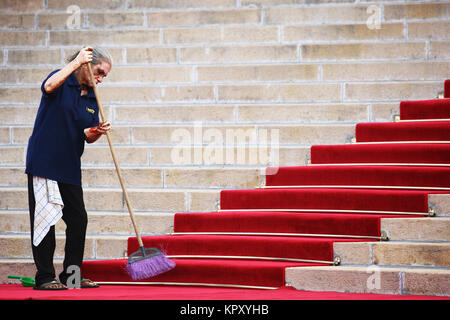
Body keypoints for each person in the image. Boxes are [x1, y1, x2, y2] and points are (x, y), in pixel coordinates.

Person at [25, 46, 112, 290]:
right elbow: (47, 87)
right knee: (45, 219)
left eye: (104, 76)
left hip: (70, 164)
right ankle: (45, 277)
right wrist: (74, 63)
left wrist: (97, 132)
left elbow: (86, 134)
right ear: (85, 64)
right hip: (44, 162)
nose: (101, 79)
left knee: (78, 220)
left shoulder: (93, 98)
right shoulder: (61, 79)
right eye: (99, 72)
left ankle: (71, 276)